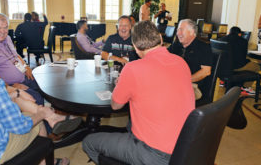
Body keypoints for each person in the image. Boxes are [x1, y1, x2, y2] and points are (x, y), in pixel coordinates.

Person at [83, 20, 195, 165]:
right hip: (186, 147)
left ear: (135, 47)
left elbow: (115, 105)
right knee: (130, 125)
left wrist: (122, 85)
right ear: (161, 39)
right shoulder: (181, 62)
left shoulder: (132, 69)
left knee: (89, 142)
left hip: (154, 154)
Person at [0, 18, 74, 165]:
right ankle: (47, 153)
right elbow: (21, 127)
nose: (2, 31)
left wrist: (15, 92)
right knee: (35, 119)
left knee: (33, 98)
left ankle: (51, 121)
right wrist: (41, 113)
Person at [0, 13, 45, 105]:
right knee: (37, 99)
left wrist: (26, 67)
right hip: (9, 84)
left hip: (22, 76)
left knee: (43, 86)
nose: (3, 31)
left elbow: (15, 55)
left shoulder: (7, 38)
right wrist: (10, 87)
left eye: (5, 27)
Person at [168, 19, 212, 99]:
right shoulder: (176, 46)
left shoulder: (203, 48)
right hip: (173, 82)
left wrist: (184, 80)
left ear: (192, 32)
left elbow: (206, 71)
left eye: (181, 30)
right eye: (178, 30)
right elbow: (164, 58)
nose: (178, 33)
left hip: (192, 86)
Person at [220, 26, 260, 95]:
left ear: (229, 32)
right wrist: (248, 61)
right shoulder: (243, 41)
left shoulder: (221, 39)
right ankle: (245, 87)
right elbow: (242, 59)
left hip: (221, 68)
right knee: (257, 66)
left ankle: (223, 81)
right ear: (239, 34)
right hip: (236, 67)